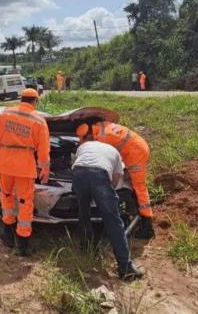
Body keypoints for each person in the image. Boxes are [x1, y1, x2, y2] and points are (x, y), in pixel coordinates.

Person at [73, 123, 145, 280]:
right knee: (114, 222)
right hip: (100, 175)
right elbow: (117, 178)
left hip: (78, 173)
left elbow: (78, 163)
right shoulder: (114, 151)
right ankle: (125, 268)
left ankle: (87, 248)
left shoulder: (83, 147)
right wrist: (106, 194)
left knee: (83, 214)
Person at [0, 88, 50, 256]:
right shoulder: (38, 120)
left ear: (21, 98)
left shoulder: (5, 114)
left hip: (5, 163)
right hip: (25, 166)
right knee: (25, 202)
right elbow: (44, 150)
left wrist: (5, 153)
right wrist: (44, 167)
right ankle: (23, 244)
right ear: (35, 102)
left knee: (6, 196)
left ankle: (8, 236)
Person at [84, 118, 154, 238]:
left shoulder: (102, 139)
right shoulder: (100, 126)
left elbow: (108, 159)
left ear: (89, 134)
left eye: (85, 140)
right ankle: (136, 212)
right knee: (132, 185)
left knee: (139, 187)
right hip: (135, 147)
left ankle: (147, 228)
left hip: (136, 153)